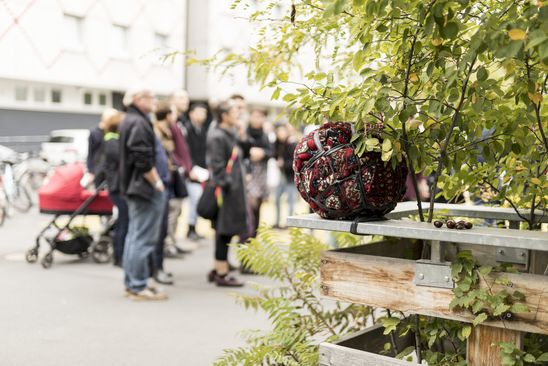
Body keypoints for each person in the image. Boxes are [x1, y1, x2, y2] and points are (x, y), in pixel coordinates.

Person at [119, 88, 167, 301]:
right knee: (142, 238)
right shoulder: (138, 122)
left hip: (134, 187)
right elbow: (142, 157)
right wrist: (156, 181)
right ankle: (138, 285)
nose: (155, 101)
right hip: (143, 188)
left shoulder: (131, 119)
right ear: (138, 99)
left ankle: (133, 283)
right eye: (151, 97)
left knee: (135, 236)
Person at [206, 100, 248, 287]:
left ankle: (217, 268)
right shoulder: (217, 136)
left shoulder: (228, 134)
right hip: (226, 192)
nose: (237, 114)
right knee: (224, 232)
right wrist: (229, 185)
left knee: (226, 231)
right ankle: (222, 273)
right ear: (223, 115)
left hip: (232, 191)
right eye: (233, 112)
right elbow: (217, 167)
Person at [151, 100, 179, 284]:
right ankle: (155, 268)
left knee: (161, 229)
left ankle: (158, 267)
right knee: (157, 230)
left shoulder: (165, 131)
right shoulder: (156, 132)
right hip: (159, 183)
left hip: (166, 181)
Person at [94, 109, 127, 267]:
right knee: (123, 221)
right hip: (118, 188)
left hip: (117, 187)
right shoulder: (112, 142)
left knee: (123, 221)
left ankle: (119, 255)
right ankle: (119, 256)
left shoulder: (112, 140)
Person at [165, 89, 193, 254]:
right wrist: (179, 166)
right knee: (173, 210)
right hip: (174, 173)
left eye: (186, 98)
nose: (185, 101)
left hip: (181, 173)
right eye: (181, 98)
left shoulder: (182, 122)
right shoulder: (170, 123)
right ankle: (168, 244)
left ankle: (172, 241)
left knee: (178, 210)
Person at [240, 107, 272, 239]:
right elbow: (240, 151)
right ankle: (246, 237)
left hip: (261, 175)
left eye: (260, 116)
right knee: (248, 206)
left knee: (257, 207)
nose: (257, 119)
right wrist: (251, 153)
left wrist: (262, 153)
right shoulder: (244, 132)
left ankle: (254, 237)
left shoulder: (265, 135)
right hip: (247, 174)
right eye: (255, 116)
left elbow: (271, 152)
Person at [182, 103, 209, 241]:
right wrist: (189, 168)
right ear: (191, 113)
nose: (201, 115)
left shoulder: (202, 130)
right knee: (195, 198)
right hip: (190, 171)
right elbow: (184, 151)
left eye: (204, 113)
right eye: (199, 112)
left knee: (197, 199)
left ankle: (193, 227)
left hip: (201, 171)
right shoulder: (186, 129)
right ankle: (190, 228)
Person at [273, 122, 298, 229]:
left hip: (290, 177)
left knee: (291, 201)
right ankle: (277, 222)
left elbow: (295, 162)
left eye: (283, 131)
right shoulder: (278, 143)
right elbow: (274, 154)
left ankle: (290, 224)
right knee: (277, 199)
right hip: (282, 176)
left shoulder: (292, 144)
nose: (281, 133)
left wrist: (283, 164)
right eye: (279, 132)